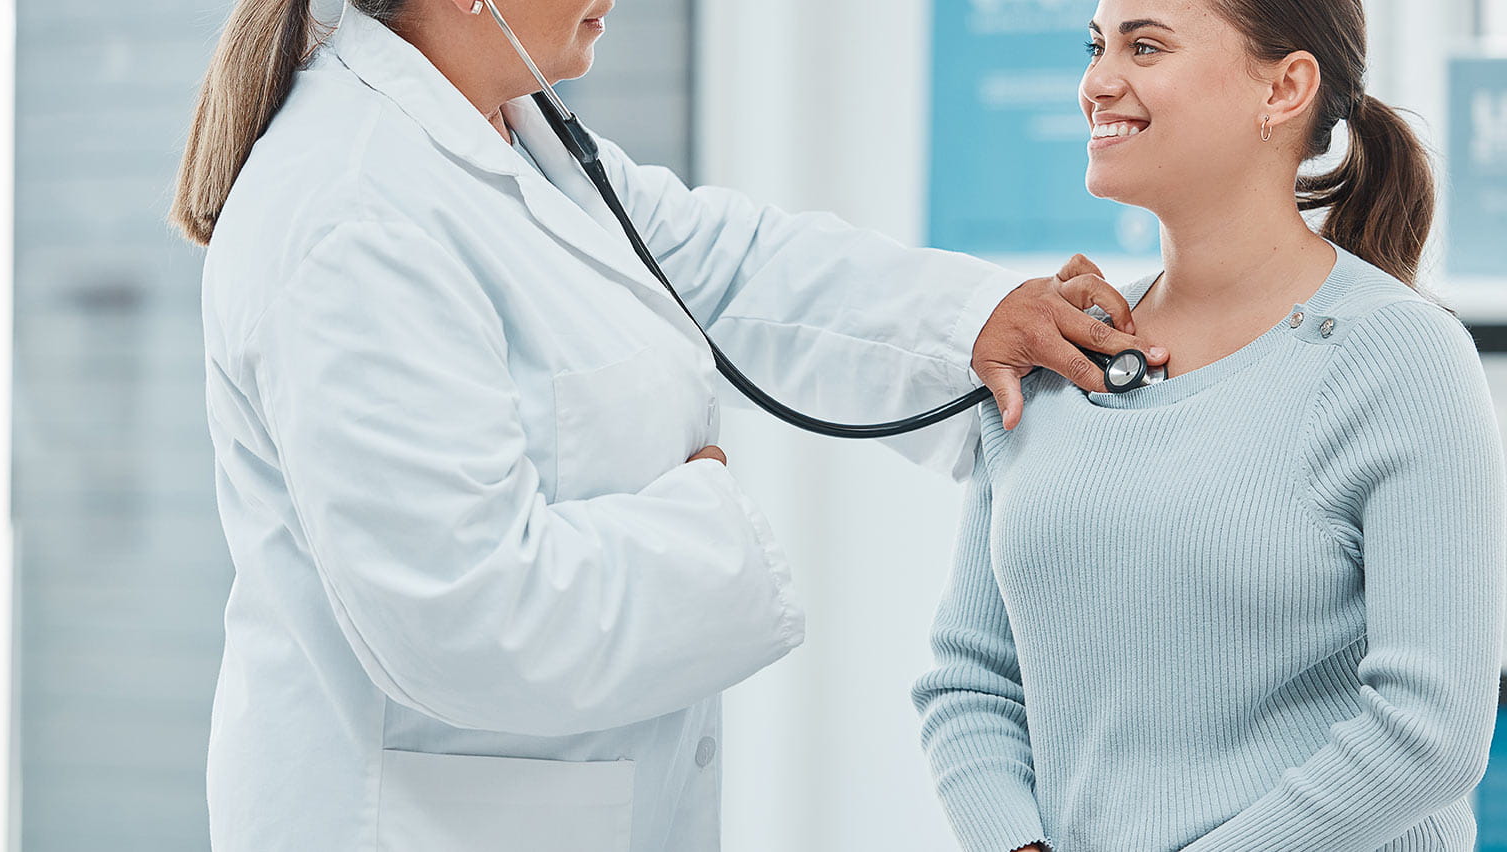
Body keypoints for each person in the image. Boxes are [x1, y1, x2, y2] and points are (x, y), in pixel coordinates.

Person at [168, 0, 1169, 849]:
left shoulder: (514, 135)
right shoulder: (352, 212)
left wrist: (972, 318)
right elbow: (463, 616)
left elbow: (719, 264)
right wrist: (706, 526)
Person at [913, 1, 1506, 850]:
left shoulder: (1399, 357)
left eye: (1145, 45)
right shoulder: (1063, 343)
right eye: (1097, 46)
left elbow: (1429, 731)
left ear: (1285, 86)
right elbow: (970, 681)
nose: (1096, 82)